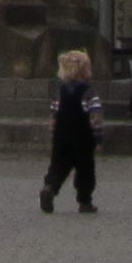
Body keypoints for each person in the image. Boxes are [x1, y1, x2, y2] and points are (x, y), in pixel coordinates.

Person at [40, 45, 100, 216]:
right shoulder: (88, 92)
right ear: (85, 71)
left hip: (62, 137)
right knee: (85, 170)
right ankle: (84, 201)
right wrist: (98, 136)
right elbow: (96, 115)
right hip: (83, 138)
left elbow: (54, 114)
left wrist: (53, 132)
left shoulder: (60, 92)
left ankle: (50, 187)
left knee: (58, 166)